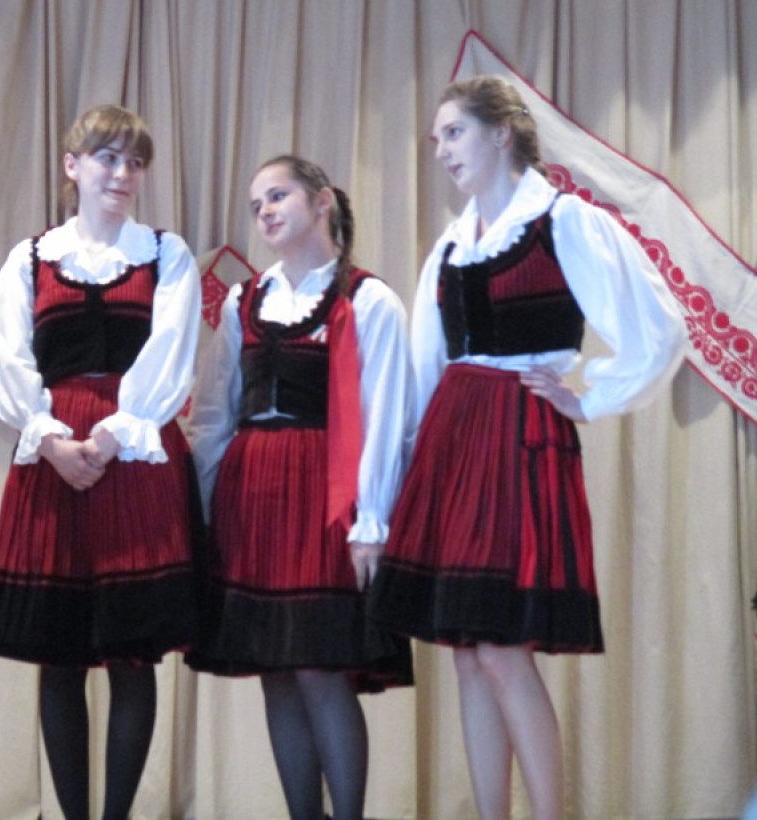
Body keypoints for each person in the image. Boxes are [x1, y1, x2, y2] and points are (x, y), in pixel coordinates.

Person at [367, 75, 687, 820]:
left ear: (501, 133)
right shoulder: (453, 244)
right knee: (468, 654)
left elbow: (659, 327)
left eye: (454, 133)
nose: (441, 149)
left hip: (517, 436)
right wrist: (400, 479)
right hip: (454, 440)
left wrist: (590, 396)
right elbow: (424, 366)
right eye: (437, 137)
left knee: (502, 647)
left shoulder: (562, 221)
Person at [0, 104, 201, 820]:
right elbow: (7, 357)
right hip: (53, 455)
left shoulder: (165, 254)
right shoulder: (31, 258)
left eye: (134, 161)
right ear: (73, 166)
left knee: (133, 656)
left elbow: (170, 353)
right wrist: (49, 440)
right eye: (108, 157)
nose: (122, 173)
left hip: (133, 454)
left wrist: (109, 438)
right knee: (60, 653)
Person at [187, 155, 415, 820]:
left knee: (320, 668)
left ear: (321, 203)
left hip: (325, 498)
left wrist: (372, 522)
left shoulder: (367, 300)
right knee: (278, 674)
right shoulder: (244, 302)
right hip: (252, 497)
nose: (264, 212)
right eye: (256, 204)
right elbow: (214, 412)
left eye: (277, 196)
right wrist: (203, 510)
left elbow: (388, 420)